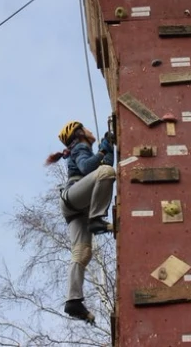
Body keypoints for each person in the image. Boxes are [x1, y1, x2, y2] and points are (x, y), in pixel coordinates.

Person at [45, 120, 116, 323]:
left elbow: (102, 165)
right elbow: (88, 168)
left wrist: (107, 149)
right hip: (75, 197)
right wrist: (102, 153)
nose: (90, 131)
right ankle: (97, 220)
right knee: (107, 173)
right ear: (79, 135)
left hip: (76, 207)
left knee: (82, 252)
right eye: (86, 129)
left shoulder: (81, 148)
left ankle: (73, 301)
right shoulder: (81, 147)